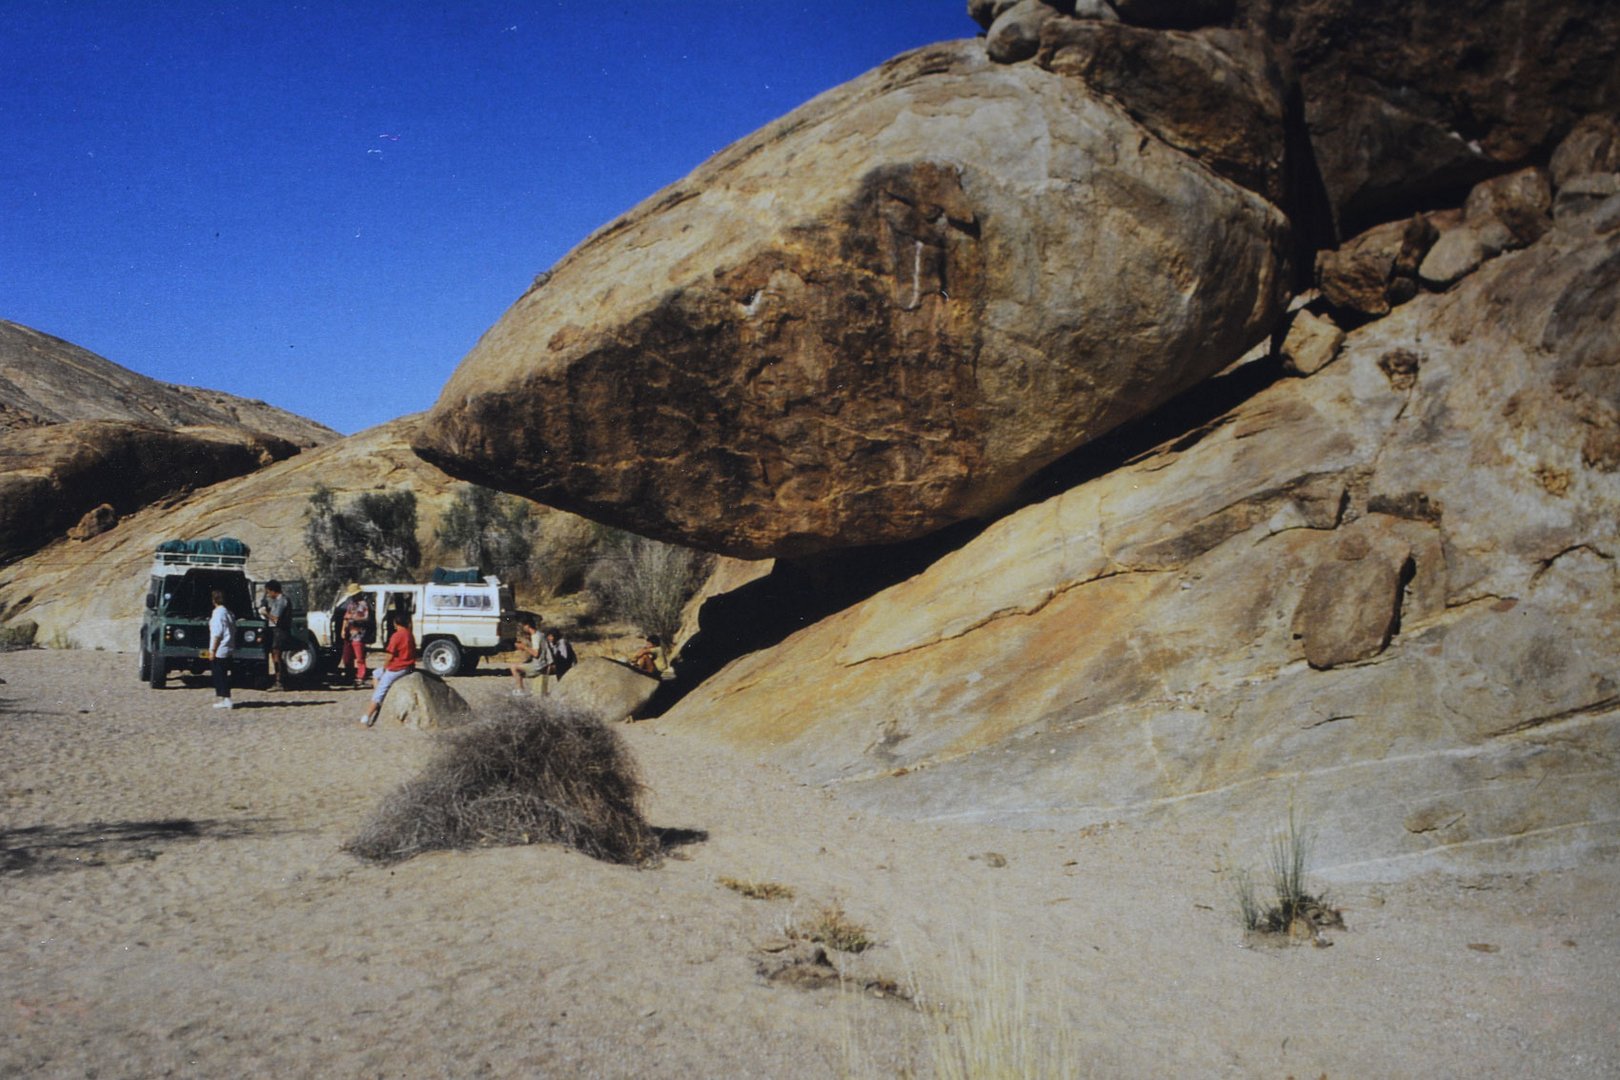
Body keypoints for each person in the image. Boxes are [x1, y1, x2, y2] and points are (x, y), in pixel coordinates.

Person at [360, 610, 417, 727]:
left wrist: (386, 668)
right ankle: (379, 702)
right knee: (376, 673)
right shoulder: (409, 634)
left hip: (397, 668)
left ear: (396, 623)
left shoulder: (396, 636)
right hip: (408, 666)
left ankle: (366, 718)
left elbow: (389, 656)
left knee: (380, 690)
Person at [508, 615, 553, 696]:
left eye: (523, 626)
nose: (522, 628)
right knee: (521, 664)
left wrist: (524, 647)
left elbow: (536, 654)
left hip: (538, 665)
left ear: (527, 625)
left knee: (513, 667)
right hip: (543, 663)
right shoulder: (540, 634)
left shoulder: (535, 636)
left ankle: (520, 689)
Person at [207, 588, 236, 710]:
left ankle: (226, 699)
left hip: (220, 649)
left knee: (220, 675)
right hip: (228, 646)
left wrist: (213, 650)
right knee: (224, 674)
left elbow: (217, 634)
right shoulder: (229, 613)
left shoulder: (218, 614)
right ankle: (225, 698)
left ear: (214, 600)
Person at [260, 579, 291, 691]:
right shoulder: (278, 600)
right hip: (278, 631)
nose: (268, 594)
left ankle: (279, 682)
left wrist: (265, 614)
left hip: (280, 631)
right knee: (275, 655)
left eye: (268, 592)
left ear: (273, 591)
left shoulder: (281, 600)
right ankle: (283, 679)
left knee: (276, 655)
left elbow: (276, 619)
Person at [338, 585, 371, 688]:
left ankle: (361, 677)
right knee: (348, 657)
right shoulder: (351, 605)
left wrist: (353, 618)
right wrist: (343, 629)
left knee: (360, 657)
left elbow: (364, 618)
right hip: (350, 634)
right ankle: (350, 675)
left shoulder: (363, 605)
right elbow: (345, 618)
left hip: (358, 634)